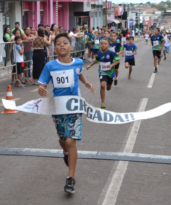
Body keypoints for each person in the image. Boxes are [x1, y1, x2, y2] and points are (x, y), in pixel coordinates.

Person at [38, 33, 94, 194]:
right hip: (58, 108)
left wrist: (86, 82)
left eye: (65, 43)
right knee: (63, 140)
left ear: (71, 46)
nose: (62, 45)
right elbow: (42, 82)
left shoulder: (78, 62)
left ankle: (70, 178)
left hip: (75, 107)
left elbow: (78, 72)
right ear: (54, 48)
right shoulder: (50, 66)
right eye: (58, 43)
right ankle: (65, 152)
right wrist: (41, 88)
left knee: (71, 141)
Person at [86, 38, 120, 109]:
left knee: (108, 87)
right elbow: (96, 60)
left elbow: (118, 61)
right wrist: (89, 66)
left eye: (105, 44)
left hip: (110, 72)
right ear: (100, 45)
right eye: (101, 44)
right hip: (102, 71)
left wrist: (112, 65)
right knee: (102, 85)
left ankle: (109, 84)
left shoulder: (111, 53)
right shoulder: (99, 53)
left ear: (108, 45)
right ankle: (103, 102)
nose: (103, 45)